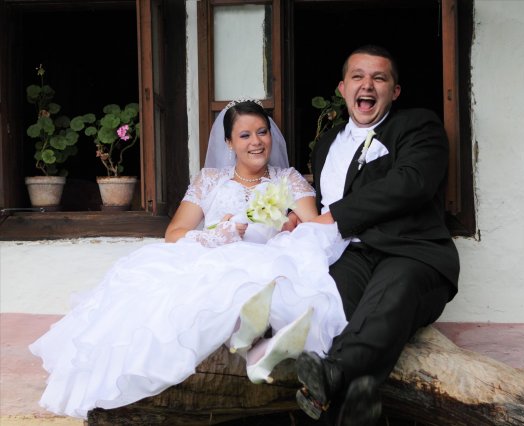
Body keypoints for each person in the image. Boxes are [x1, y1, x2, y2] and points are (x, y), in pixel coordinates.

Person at [29, 100, 349, 420]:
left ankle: (259, 359)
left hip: (266, 260)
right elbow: (175, 233)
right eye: (245, 135)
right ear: (229, 142)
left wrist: (289, 225)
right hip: (212, 255)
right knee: (149, 295)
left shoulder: (288, 179)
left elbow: (314, 230)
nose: (256, 142)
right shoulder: (209, 179)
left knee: (256, 287)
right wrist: (216, 235)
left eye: (262, 132)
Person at [291, 45, 460, 425]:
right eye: (358, 76)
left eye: (379, 78)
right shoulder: (327, 144)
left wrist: (335, 216)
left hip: (411, 253)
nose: (367, 85)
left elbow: (412, 182)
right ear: (342, 88)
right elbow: (324, 198)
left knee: (392, 294)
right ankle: (357, 401)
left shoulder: (419, 126)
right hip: (350, 255)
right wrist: (296, 215)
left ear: (394, 91)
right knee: (329, 311)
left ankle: (335, 373)